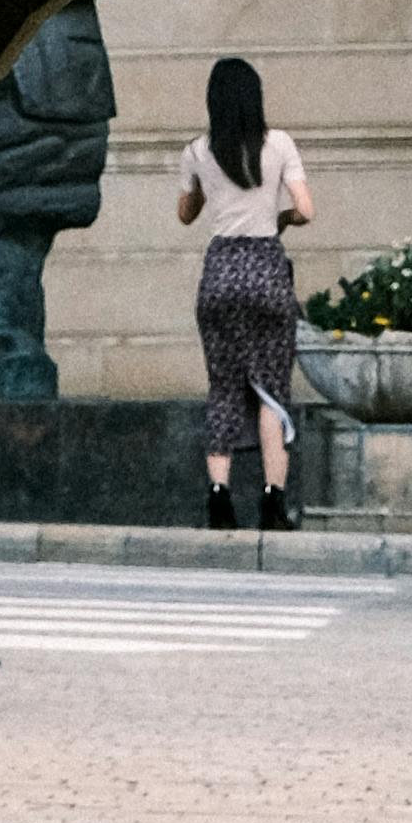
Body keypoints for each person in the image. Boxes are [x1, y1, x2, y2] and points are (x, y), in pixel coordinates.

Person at [173, 54, 312, 533]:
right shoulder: (280, 144)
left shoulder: (197, 150)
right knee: (271, 391)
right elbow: (306, 210)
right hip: (266, 270)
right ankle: (274, 503)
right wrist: (282, 218)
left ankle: (219, 498)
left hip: (221, 273)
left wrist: (203, 191)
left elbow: (186, 214)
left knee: (225, 389)